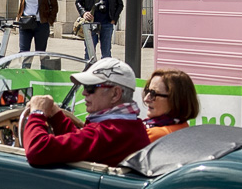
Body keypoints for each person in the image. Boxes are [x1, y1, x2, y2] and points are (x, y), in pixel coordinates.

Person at [21, 57, 152, 167]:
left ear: (115, 94)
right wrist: (55, 115)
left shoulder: (107, 132)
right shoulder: (132, 126)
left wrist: (37, 114)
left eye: (90, 88)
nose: (84, 93)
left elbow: (37, 150)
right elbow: (82, 141)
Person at [142, 69, 201, 141]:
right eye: (147, 91)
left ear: (175, 100)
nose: (146, 99)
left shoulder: (151, 134)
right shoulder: (183, 126)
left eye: (153, 93)